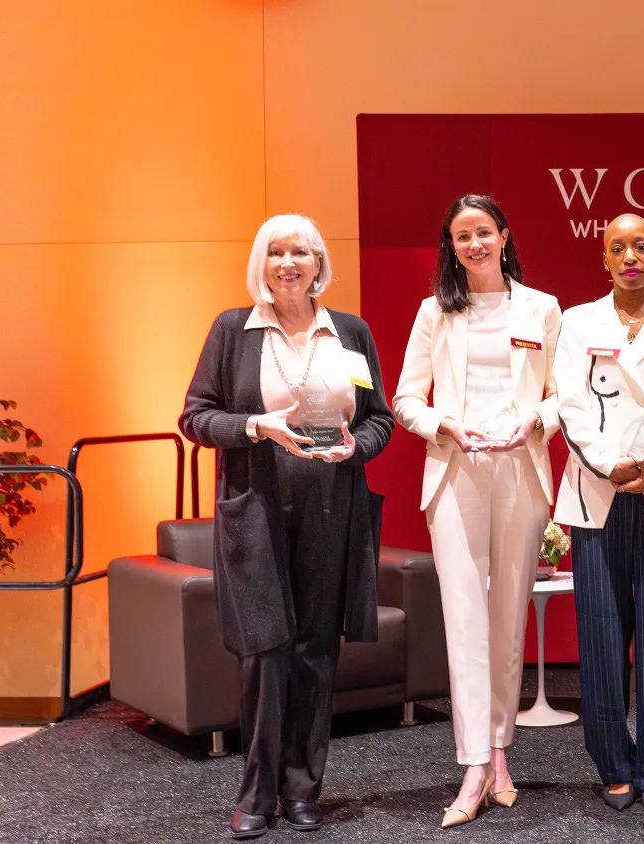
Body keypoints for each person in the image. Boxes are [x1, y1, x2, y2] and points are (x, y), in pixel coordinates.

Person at [180, 214, 393, 839]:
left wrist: (353, 447)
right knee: (265, 651)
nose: (288, 263)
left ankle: (304, 789)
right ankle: (256, 793)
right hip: (257, 509)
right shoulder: (232, 330)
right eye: (276, 252)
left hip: (333, 507)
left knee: (317, 651)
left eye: (301, 251)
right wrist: (255, 427)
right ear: (261, 262)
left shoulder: (349, 332)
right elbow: (196, 417)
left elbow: (378, 419)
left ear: (319, 263)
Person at [392, 194, 562, 829]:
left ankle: (500, 754)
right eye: (462, 236)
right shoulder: (434, 312)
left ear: (504, 236)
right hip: (456, 471)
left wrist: (534, 421)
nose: (474, 245)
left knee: (507, 619)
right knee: (464, 620)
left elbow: (564, 392)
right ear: (451, 246)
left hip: (521, 469)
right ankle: (471, 768)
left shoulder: (541, 308)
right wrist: (446, 427)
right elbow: (406, 395)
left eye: (483, 233)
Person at [553, 213, 644, 813]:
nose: (630, 256)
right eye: (618, 247)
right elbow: (570, 403)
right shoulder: (577, 321)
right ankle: (614, 763)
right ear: (605, 259)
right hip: (597, 495)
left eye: (640, 245)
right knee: (602, 636)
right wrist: (611, 465)